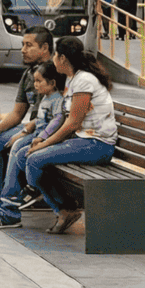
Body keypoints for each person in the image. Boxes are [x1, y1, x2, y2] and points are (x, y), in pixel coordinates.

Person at [24, 37, 118, 235]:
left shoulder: (84, 80)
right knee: (29, 154)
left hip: (97, 145)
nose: (53, 59)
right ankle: (62, 205)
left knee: (34, 160)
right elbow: (66, 119)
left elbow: (73, 123)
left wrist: (45, 144)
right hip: (84, 142)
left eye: (55, 55)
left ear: (63, 58)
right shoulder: (73, 78)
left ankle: (64, 209)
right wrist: (43, 139)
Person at [0, 26, 54, 219]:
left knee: (16, 146)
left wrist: (23, 133)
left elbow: (52, 117)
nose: (23, 50)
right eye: (23, 45)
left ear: (44, 48)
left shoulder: (54, 73)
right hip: (31, 128)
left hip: (46, 132)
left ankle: (9, 209)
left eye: (29, 45)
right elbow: (17, 113)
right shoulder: (29, 74)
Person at [0, 61, 66, 229]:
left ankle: (13, 203)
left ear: (52, 83)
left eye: (39, 81)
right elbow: (32, 118)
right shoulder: (46, 97)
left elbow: (57, 120)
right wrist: (24, 132)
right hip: (36, 135)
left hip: (44, 138)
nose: (35, 85)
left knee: (20, 152)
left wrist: (41, 137)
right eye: (35, 81)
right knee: (5, 147)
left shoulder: (57, 99)